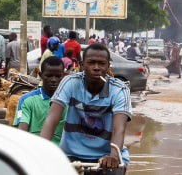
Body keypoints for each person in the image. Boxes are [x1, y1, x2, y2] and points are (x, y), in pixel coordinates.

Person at [41, 43, 132, 174]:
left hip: (106, 157)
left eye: (101, 63)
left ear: (108, 66)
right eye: (91, 63)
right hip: (70, 156)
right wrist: (41, 150)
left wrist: (114, 156)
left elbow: (119, 128)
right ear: (82, 65)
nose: (96, 68)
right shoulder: (70, 82)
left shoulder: (119, 90)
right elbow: (51, 120)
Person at [15, 56, 67, 145]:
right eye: (49, 76)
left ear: (63, 76)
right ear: (41, 75)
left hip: (61, 153)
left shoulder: (68, 101)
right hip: (34, 150)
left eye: (58, 76)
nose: (54, 80)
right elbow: (22, 131)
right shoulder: (27, 100)